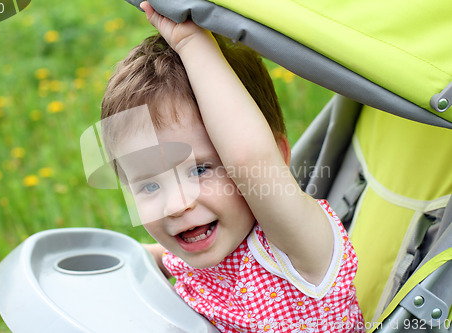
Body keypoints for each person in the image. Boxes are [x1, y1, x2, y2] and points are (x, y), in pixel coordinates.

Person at [101, 2, 364, 332]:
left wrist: (190, 42)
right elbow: (157, 257)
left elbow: (249, 160)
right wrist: (122, 259)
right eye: (150, 185)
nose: (176, 205)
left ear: (278, 157)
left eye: (200, 170)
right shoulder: (196, 244)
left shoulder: (299, 251)